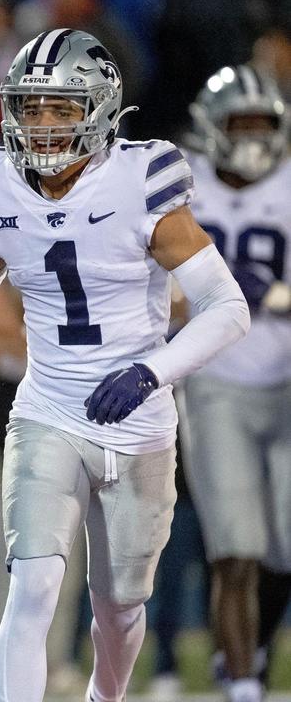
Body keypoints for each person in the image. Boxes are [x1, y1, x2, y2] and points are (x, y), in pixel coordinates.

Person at [0, 29, 251, 702]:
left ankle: (104, 696)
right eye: (31, 108)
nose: (42, 124)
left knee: (120, 606)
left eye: (60, 108)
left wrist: (151, 372)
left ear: (98, 109)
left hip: (141, 423)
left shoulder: (142, 178)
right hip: (47, 411)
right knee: (32, 585)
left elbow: (227, 308)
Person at [182, 64, 291, 702]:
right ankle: (243, 684)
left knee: (282, 549)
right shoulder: (180, 185)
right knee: (235, 546)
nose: (251, 136)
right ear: (210, 127)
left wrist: (273, 293)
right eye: (238, 123)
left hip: (285, 382)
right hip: (213, 379)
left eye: (262, 124)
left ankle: (249, 655)